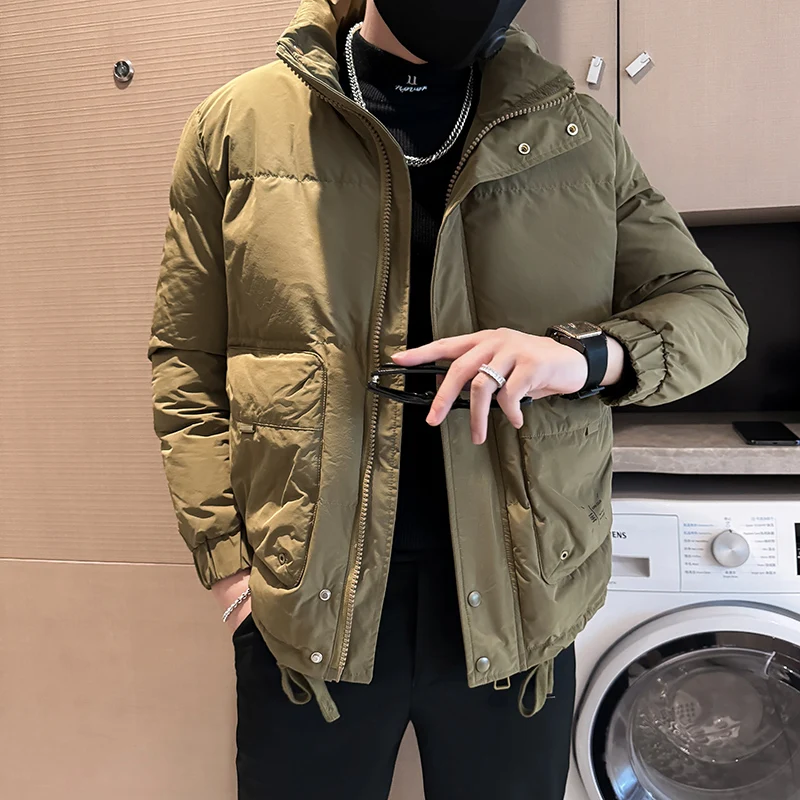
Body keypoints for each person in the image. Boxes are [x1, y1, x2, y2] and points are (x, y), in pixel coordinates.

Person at [147, 0, 748, 797]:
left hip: (520, 604)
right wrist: (230, 571)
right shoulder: (237, 126)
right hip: (306, 605)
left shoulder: (575, 134)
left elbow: (711, 314)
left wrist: (581, 358)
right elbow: (186, 362)